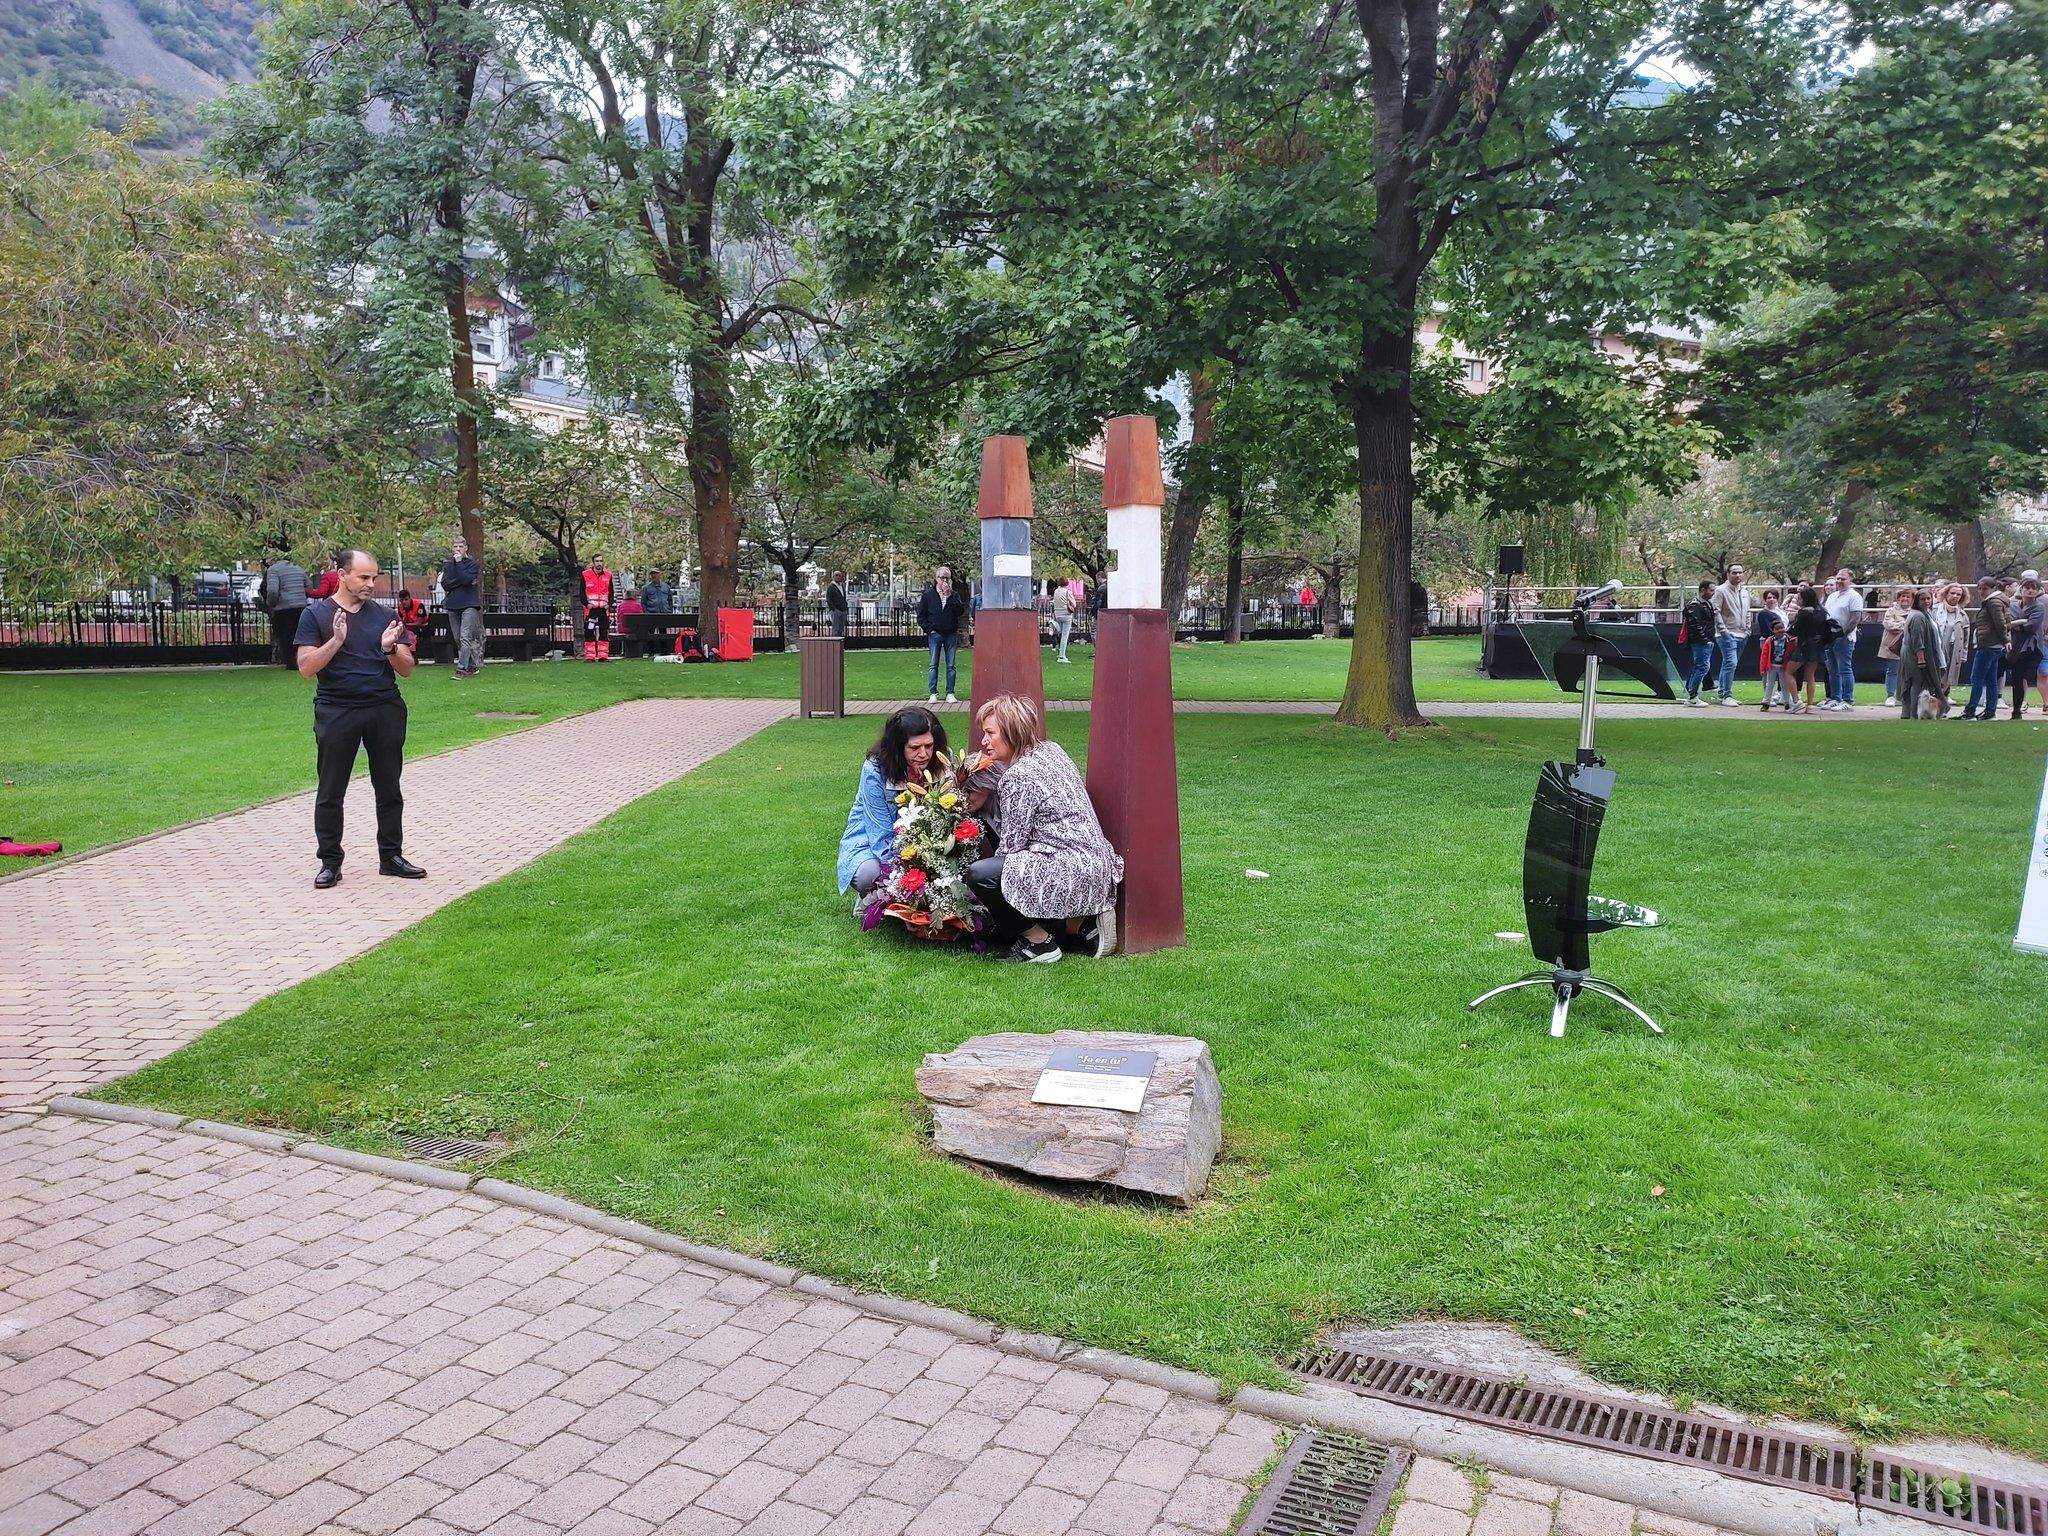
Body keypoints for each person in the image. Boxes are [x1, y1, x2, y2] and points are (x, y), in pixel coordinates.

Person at [295, 550, 424, 888]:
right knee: (331, 788)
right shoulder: (316, 615)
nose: (370, 584)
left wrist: (389, 649)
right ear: (342, 574)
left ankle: (391, 857)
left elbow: (408, 669)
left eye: (374, 577)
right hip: (337, 710)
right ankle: (329, 862)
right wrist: (336, 642)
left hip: (384, 708)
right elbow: (307, 668)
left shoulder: (385, 616)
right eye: (363, 577)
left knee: (389, 785)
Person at [963, 695, 1121, 963]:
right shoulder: (1051, 750)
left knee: (982, 875)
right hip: (1097, 863)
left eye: (990, 733)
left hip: (1066, 868)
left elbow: (1011, 848)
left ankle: (1038, 943)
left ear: (1012, 732)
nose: (983, 741)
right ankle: (1081, 924)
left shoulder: (1017, 776)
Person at [838, 706, 947, 897]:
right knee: (868, 874)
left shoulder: (942, 761)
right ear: (897, 747)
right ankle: (873, 896)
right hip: (873, 840)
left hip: (925, 842)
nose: (924, 754)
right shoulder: (874, 770)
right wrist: (912, 875)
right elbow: (881, 836)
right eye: (914, 748)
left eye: (929, 746)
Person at [1961, 576, 2010, 720]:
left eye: (1985, 588)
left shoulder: (1993, 602)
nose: (1982, 591)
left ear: (1993, 588)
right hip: (1993, 645)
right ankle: (1990, 711)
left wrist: (2005, 640)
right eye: (1980, 588)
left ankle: (1971, 710)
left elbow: (2000, 623)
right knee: (1990, 680)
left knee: (1976, 678)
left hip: (1989, 644)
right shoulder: (1996, 601)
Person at [918, 564, 968, 704]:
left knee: (951, 665)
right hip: (935, 634)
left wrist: (949, 595)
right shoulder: (928, 595)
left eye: (947, 578)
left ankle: (950, 692)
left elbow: (959, 611)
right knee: (933, 664)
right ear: (936, 579)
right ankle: (933, 692)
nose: (944, 581)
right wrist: (930, 630)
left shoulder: (954, 595)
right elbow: (921, 616)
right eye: (942, 578)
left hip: (950, 634)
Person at [440, 536, 482, 679]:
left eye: (460, 547)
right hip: (453, 605)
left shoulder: (472, 564)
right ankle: (472, 665)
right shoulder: (448, 565)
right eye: (455, 547)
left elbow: (466, 579)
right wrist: (461, 581)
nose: (457, 549)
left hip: (469, 605)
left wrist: (459, 566)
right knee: (458, 638)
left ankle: (462, 669)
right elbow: (445, 584)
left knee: (465, 637)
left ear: (465, 548)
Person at [1822, 568, 1865, 709]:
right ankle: (1835, 697)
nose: (1839, 581)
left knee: (1844, 668)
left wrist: (1841, 635)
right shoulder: (1833, 596)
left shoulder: (1854, 596)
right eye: (1838, 578)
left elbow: (1855, 619)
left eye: (1843, 579)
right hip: (1830, 637)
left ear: (1850, 580)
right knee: (1832, 669)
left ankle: (1848, 700)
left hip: (1844, 638)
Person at [1897, 589, 1943, 719]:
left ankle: (1908, 713)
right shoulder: (1918, 616)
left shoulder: (1924, 613)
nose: (1926, 601)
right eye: (1923, 599)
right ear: (1917, 601)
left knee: (1913, 683)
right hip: (1915, 654)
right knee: (1916, 683)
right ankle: (1912, 714)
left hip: (1913, 652)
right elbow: (1918, 639)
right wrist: (1921, 658)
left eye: (1928, 598)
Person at [1710, 563, 1752, 705]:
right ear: (1728, 574)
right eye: (1734, 572)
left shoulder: (1745, 592)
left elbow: (1747, 612)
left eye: (1740, 572)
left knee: (1728, 663)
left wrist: (1748, 629)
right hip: (1727, 634)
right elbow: (1715, 611)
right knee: (1731, 663)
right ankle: (1727, 695)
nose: (1738, 575)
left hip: (1742, 634)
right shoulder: (1720, 591)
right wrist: (1724, 631)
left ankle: (1723, 693)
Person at [1786, 584, 1829, 713]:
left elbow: (1795, 630)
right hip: (1817, 645)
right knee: (1810, 675)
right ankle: (1810, 705)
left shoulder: (1804, 612)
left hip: (1804, 645)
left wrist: (1790, 628)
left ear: (1805, 599)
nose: (1798, 600)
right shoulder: (1822, 611)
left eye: (1799, 598)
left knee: (1788, 672)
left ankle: (1796, 700)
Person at [262, 556, 308, 669]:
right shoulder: (298, 568)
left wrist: (271, 604)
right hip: (301, 606)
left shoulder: (273, 570)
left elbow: (272, 591)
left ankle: (291, 663)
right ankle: (302, 660)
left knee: (286, 636)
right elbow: (309, 585)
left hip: (283, 608)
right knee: (300, 636)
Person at [2010, 576, 2045, 721]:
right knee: (2016, 679)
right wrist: (2020, 623)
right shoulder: (2014, 605)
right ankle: (2016, 710)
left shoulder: (2039, 607)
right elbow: (2007, 623)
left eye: (2034, 588)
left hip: (2032, 649)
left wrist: (2015, 624)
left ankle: (2019, 708)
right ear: (2021, 589)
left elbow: (2031, 627)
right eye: (2027, 587)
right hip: (2015, 648)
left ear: (2038, 591)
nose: (2030, 591)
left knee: (2025, 676)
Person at [1932, 584, 1969, 715]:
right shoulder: (1935, 610)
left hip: (1954, 650)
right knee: (1936, 678)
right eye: (1952, 593)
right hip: (1938, 649)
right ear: (1946, 593)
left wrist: (1964, 654)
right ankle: (1930, 707)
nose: (1955, 596)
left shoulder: (1962, 614)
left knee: (1948, 678)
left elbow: (1965, 637)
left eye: (1958, 594)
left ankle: (1942, 708)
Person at [1680, 580, 1717, 706]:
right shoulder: (1696, 605)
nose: (1713, 593)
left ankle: (1691, 692)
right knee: (1702, 666)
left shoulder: (1704, 604)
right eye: (1711, 590)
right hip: (1702, 641)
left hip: (1705, 639)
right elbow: (1694, 624)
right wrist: (1705, 639)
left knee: (1699, 666)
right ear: (1703, 590)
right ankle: (1693, 695)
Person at [1877, 587, 1912, 706]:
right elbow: (1889, 624)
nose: (1905, 599)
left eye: (1908, 596)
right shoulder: (1891, 610)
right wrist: (1905, 624)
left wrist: (1901, 624)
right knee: (1892, 670)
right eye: (1903, 596)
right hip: (1893, 645)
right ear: (1898, 598)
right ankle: (1890, 696)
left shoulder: (1915, 612)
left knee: (1908, 672)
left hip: (1910, 646)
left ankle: (1903, 696)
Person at [1756, 589, 1786, 710]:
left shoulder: (1781, 612)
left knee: (1782, 670)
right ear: (1765, 600)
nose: (1772, 599)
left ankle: (1782, 695)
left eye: (1774, 597)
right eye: (1769, 597)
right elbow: (1767, 630)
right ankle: (1768, 695)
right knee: (1768, 669)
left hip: (1783, 643)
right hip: (1769, 643)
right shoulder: (1763, 614)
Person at [580, 557, 614, 662]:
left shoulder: (608, 575)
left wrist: (609, 604)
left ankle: (603, 656)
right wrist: (586, 604)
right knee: (589, 631)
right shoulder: (585, 574)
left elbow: (611, 591)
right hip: (591, 609)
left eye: (601, 561)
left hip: (603, 609)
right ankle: (590, 656)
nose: (599, 563)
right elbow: (581, 592)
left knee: (604, 631)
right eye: (597, 561)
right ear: (593, 562)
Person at [1051, 581, 1076, 663]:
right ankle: (1062, 656)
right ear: (1067, 584)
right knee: (1065, 636)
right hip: (1066, 615)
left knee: (1061, 634)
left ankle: (1060, 652)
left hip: (1058, 614)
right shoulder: (1067, 592)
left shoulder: (1056, 591)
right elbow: (1074, 604)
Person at [825, 571, 850, 638]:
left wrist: (845, 607)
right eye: (836, 575)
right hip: (836, 610)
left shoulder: (842, 586)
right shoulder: (831, 587)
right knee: (835, 629)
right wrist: (833, 609)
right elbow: (828, 599)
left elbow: (843, 598)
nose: (838, 577)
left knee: (841, 629)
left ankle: (840, 646)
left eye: (840, 575)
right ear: (833, 577)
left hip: (843, 610)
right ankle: (834, 646)